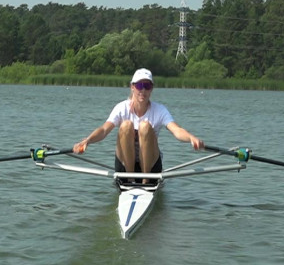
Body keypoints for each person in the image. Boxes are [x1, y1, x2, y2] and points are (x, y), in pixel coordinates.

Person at [73, 68, 204, 184]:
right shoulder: (121, 108)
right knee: (125, 125)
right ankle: (130, 180)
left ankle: (146, 180)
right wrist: (87, 140)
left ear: (151, 88)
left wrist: (192, 138)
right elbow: (104, 130)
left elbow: (177, 130)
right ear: (132, 87)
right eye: (139, 85)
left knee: (145, 126)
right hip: (124, 165)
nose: (143, 90)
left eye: (147, 86)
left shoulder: (159, 110)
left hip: (151, 166)